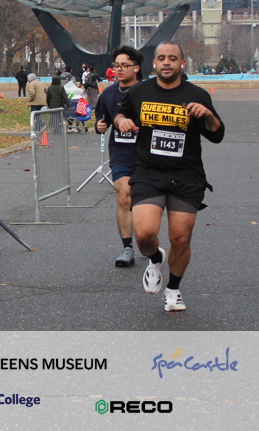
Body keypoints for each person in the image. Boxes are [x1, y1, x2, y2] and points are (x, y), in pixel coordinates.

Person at [114, 41, 225, 313]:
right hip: (148, 173)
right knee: (145, 235)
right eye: (161, 58)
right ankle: (155, 258)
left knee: (181, 238)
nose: (167, 62)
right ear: (154, 63)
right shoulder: (139, 91)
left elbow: (217, 134)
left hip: (186, 176)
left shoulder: (197, 94)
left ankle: (173, 290)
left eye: (172, 58)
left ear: (181, 63)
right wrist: (121, 121)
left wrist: (208, 115)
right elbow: (120, 112)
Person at [93, 45, 144, 268]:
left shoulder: (148, 91)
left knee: (145, 203)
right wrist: (99, 126)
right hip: (121, 153)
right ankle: (127, 248)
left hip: (147, 155)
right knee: (124, 195)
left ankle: (148, 241)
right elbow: (100, 120)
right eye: (116, 65)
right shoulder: (108, 95)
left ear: (136, 68)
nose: (119, 69)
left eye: (125, 65)